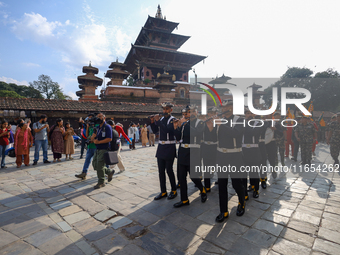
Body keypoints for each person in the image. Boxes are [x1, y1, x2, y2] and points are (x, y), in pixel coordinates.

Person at [214, 99, 246, 222]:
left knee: (236, 183)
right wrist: (209, 127)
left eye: (226, 106)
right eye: (222, 107)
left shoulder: (240, 120)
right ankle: (224, 211)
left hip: (235, 156)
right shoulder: (220, 121)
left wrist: (221, 125)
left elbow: (235, 134)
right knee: (222, 184)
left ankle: (241, 203)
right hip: (221, 156)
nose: (224, 109)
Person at [172, 105, 207, 208]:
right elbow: (178, 137)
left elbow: (196, 133)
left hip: (194, 152)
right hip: (183, 151)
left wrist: (184, 124)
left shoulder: (200, 123)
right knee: (181, 177)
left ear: (195, 112)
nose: (187, 114)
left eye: (190, 112)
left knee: (194, 176)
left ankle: (202, 189)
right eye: (186, 112)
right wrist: (176, 127)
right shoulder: (184, 124)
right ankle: (184, 200)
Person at [153, 102, 177, 200]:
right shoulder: (162, 119)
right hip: (161, 147)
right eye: (163, 109)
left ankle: (174, 190)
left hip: (169, 146)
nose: (165, 111)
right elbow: (155, 131)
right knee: (161, 171)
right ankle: (163, 191)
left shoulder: (173, 120)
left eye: (167, 109)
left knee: (169, 170)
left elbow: (167, 130)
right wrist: (153, 121)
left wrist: (158, 122)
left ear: (171, 110)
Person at [242, 108, 262, 199]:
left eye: (251, 113)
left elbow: (253, 133)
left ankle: (256, 190)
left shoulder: (258, 123)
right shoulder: (242, 123)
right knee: (244, 173)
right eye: (247, 113)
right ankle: (245, 191)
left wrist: (245, 125)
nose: (249, 114)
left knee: (254, 172)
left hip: (254, 150)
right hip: (244, 150)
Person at [92, 112, 114, 189]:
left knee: (99, 166)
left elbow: (109, 138)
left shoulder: (107, 127)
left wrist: (99, 142)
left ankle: (101, 182)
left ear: (104, 118)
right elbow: (92, 139)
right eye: (98, 117)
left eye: (100, 116)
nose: (99, 118)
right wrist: (93, 137)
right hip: (97, 148)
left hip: (104, 148)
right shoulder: (97, 128)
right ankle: (109, 171)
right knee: (95, 164)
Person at [201, 107, 218, 192]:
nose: (212, 115)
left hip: (215, 147)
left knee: (216, 165)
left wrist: (212, 128)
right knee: (206, 167)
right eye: (211, 113)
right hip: (206, 147)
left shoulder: (219, 122)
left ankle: (219, 180)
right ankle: (207, 186)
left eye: (214, 113)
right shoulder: (204, 123)